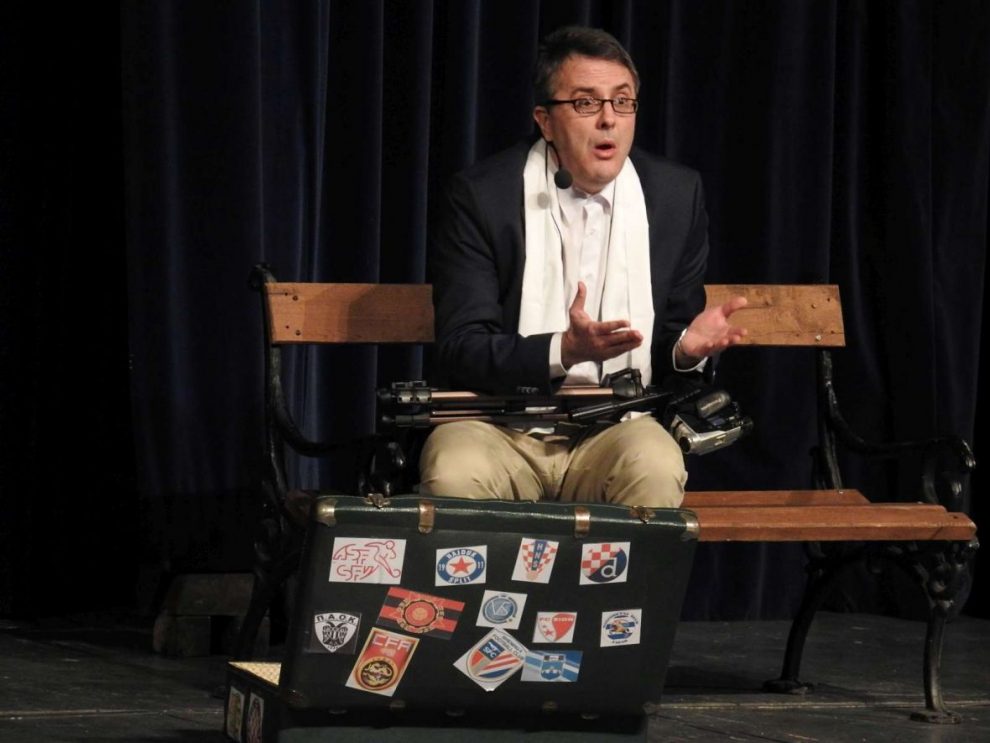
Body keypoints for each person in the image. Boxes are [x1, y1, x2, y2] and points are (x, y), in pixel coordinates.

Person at [419, 26, 747, 508]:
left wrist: (685, 351)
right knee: (453, 470)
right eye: (586, 103)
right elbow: (461, 348)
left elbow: (669, 339)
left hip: (616, 429)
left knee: (656, 466)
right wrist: (563, 350)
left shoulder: (675, 197)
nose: (609, 119)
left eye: (623, 102)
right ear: (545, 121)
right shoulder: (483, 196)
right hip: (498, 426)